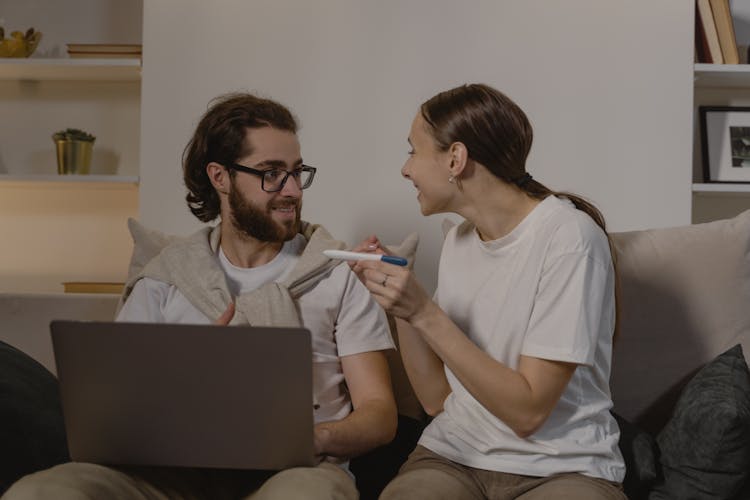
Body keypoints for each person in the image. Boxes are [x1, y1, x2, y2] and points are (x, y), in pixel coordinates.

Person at [3, 92, 397, 500]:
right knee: (44, 491)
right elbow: (118, 412)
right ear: (220, 176)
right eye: (271, 173)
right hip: (173, 474)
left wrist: (313, 438)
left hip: (298, 470)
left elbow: (379, 414)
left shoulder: (336, 274)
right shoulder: (166, 278)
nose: (293, 190)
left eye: (298, 172)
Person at [349, 83, 627, 500]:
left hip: (562, 468)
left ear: (455, 159)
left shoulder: (570, 239)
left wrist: (424, 311)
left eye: (412, 151)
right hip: (453, 456)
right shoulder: (460, 241)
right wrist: (402, 303)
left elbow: (528, 412)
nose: (406, 170)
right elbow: (436, 401)